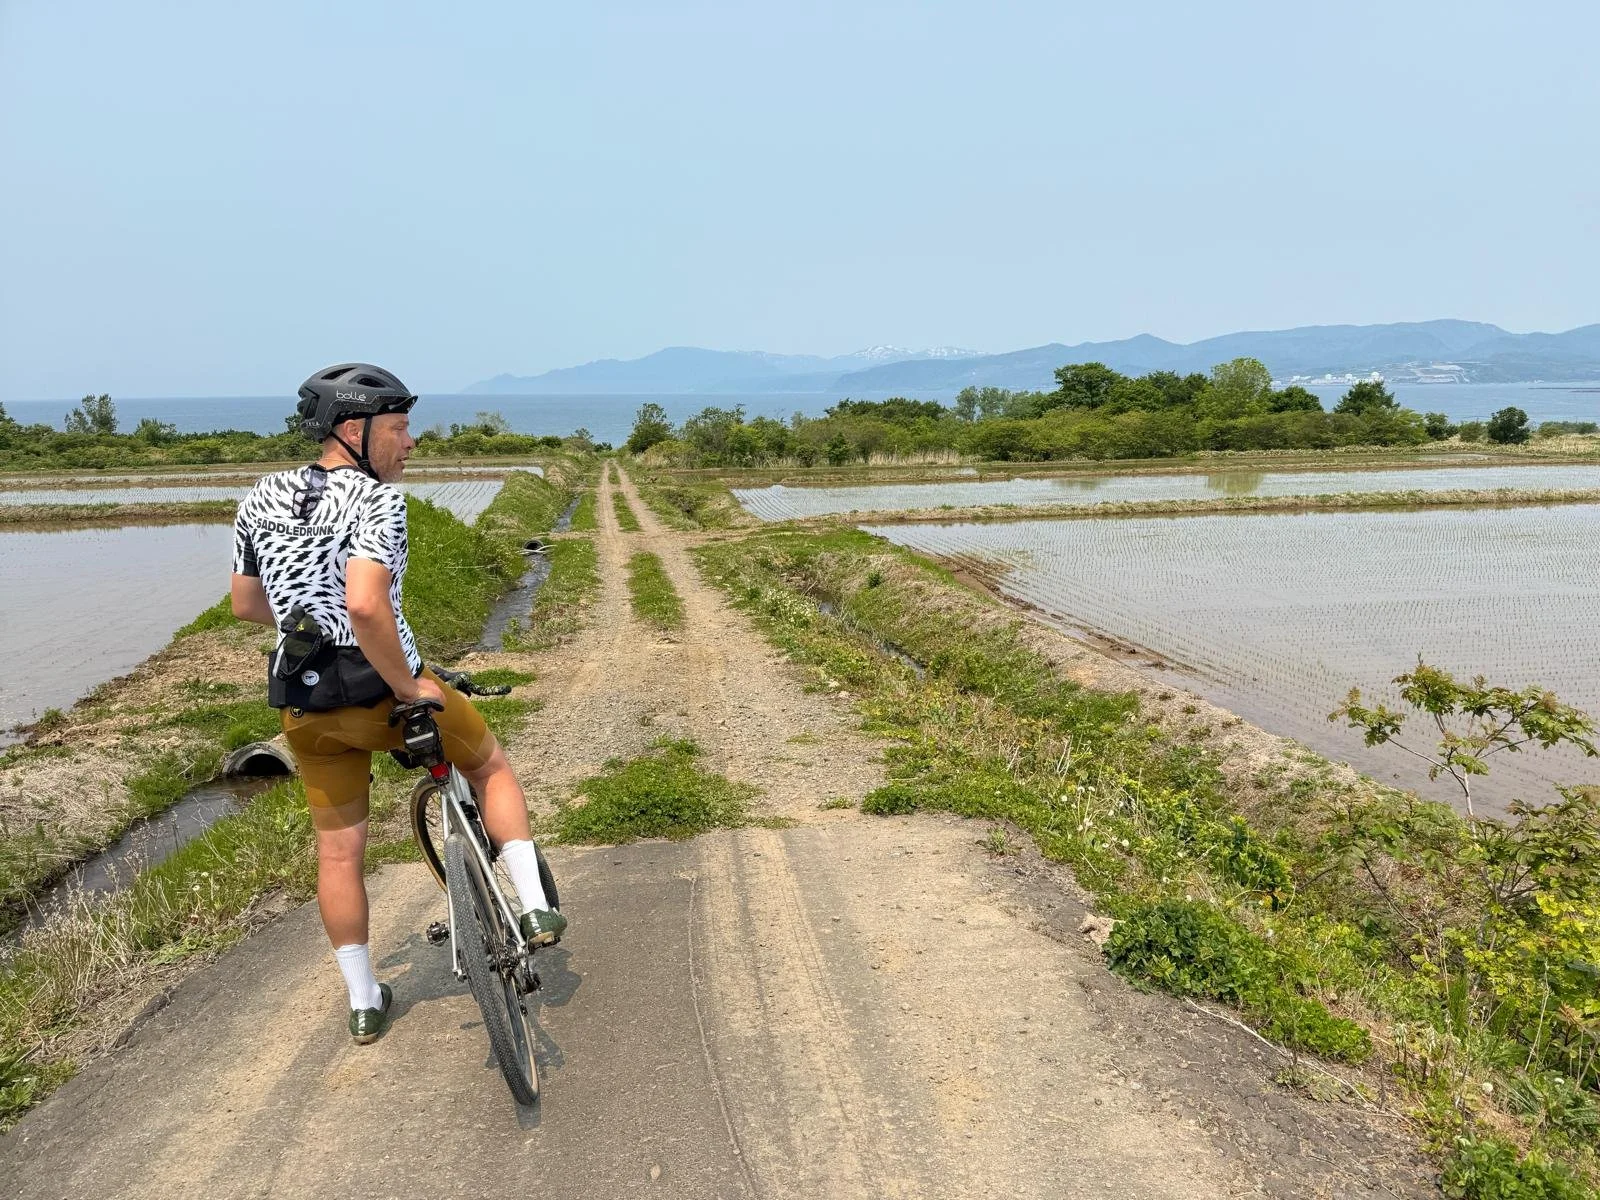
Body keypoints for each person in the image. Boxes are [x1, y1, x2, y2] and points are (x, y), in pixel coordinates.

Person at [229, 362, 565, 1044]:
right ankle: (534, 907)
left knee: (338, 853)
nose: (411, 442)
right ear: (354, 430)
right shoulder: (375, 501)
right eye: (400, 427)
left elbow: (246, 604)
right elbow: (365, 605)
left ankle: (363, 1001)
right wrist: (409, 686)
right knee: (490, 767)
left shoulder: (260, 496)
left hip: (304, 702)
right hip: (384, 691)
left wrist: (308, 620)